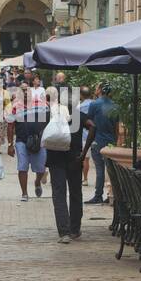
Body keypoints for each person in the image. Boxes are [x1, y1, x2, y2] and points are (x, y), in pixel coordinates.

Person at [46, 98, 95, 244]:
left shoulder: (51, 115)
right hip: (75, 159)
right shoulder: (78, 115)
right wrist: (84, 151)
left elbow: (42, 132)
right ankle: (74, 229)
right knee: (75, 193)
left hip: (55, 160)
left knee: (59, 194)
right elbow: (93, 126)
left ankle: (64, 232)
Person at [7, 82, 48, 200]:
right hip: (21, 141)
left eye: (27, 90)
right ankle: (24, 193)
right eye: (22, 90)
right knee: (22, 167)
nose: (25, 92)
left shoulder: (41, 104)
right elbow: (10, 126)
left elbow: (48, 120)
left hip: (39, 141)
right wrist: (10, 144)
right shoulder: (14, 106)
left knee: (41, 168)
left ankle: (37, 182)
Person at [86, 82, 117, 204]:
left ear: (100, 90)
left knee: (100, 170)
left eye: (96, 87)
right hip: (110, 142)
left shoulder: (94, 104)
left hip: (97, 140)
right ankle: (111, 195)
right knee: (111, 170)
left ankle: (98, 195)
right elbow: (116, 127)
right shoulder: (115, 106)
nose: (95, 89)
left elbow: (89, 123)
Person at [77, 86, 93, 186]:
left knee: (85, 158)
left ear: (81, 95)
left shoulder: (79, 107)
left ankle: (85, 179)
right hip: (94, 134)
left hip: (83, 135)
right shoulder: (94, 104)